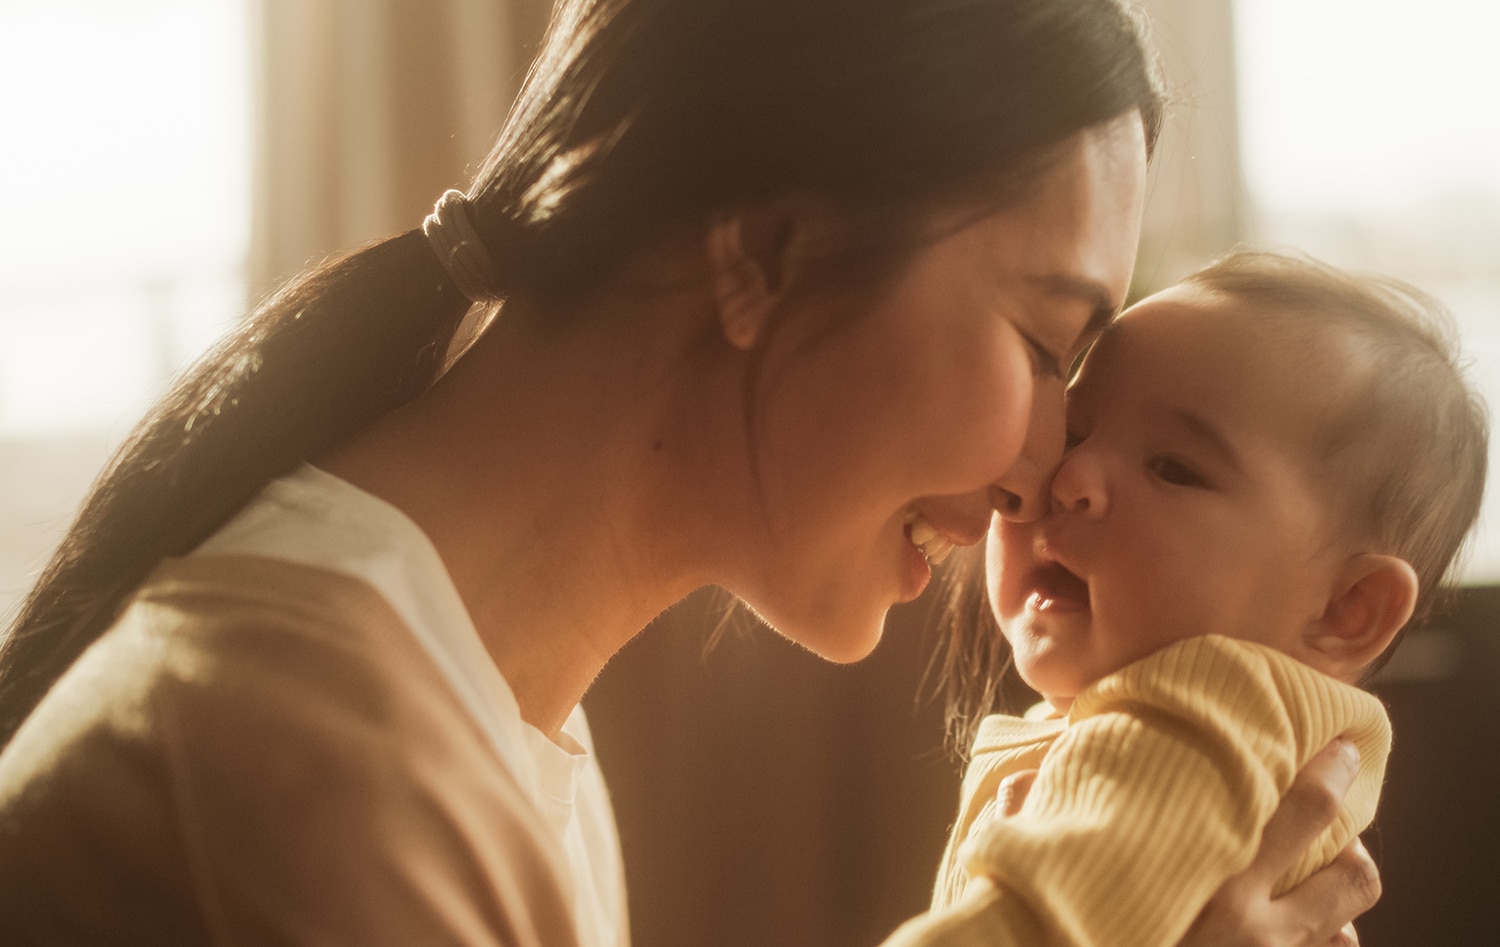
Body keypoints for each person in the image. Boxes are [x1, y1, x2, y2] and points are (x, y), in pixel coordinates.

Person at [0, 0, 1378, 943]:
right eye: (1039, 342)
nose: (1044, 467)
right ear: (766, 252)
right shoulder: (309, 756)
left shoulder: (486, 705)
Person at [896, 250, 1488, 947]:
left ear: (1346, 608)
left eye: (1172, 467)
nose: (1069, 476)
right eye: (1073, 434)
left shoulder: (1200, 718)